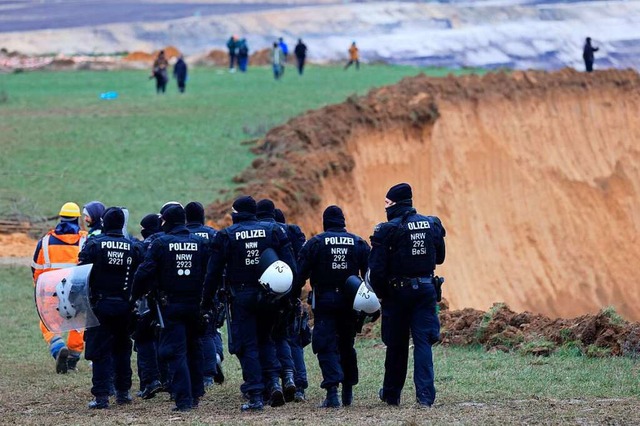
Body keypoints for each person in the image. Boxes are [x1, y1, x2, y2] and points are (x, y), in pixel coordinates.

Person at [202, 195, 297, 411]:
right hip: (271, 296)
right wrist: (289, 298)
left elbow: (213, 272)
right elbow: (291, 266)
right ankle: (273, 383)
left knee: (249, 345)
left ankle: (255, 394)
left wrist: (207, 301)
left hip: (241, 297)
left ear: (236, 213)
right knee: (267, 340)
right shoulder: (273, 230)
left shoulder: (226, 235)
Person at [369, 183, 446, 407]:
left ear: (395, 203)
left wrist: (383, 295)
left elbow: (377, 271)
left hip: (397, 293)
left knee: (397, 344)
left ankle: (392, 395)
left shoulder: (387, 229)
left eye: (387, 203)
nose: (385, 207)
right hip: (425, 289)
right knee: (423, 343)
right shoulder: (432, 224)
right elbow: (439, 258)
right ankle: (425, 398)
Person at [132, 204, 210, 411]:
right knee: (194, 348)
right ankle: (195, 394)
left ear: (167, 221)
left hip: (170, 306)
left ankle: (183, 400)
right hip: (196, 305)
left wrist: (136, 295)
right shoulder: (199, 242)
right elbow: (210, 273)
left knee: (175, 352)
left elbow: (144, 272)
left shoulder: (160, 243)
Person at [297, 205, 370, 408]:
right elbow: (371, 274)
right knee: (346, 345)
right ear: (343, 222)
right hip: (350, 302)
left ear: (325, 222)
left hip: (325, 302)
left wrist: (292, 296)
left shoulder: (315, 243)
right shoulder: (358, 243)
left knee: (325, 344)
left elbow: (299, 274)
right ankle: (348, 392)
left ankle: (332, 394)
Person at [79, 207, 143, 409]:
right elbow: (141, 274)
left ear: (104, 223)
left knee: (99, 351)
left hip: (100, 306)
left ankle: (101, 397)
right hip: (125, 306)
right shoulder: (133, 247)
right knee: (122, 349)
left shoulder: (93, 245)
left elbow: (80, 275)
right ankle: (123, 393)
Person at [31, 202, 88, 374]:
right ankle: (72, 359)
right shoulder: (85, 240)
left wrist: (39, 288)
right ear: (77, 219)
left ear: (60, 217)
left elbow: (36, 269)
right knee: (79, 325)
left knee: (47, 321)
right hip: (76, 293)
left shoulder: (45, 241)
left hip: (50, 291)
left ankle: (57, 346)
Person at [256, 200, 297, 403]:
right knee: (282, 337)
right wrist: (294, 294)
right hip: (286, 293)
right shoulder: (291, 231)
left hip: (264, 294)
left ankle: (273, 382)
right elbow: (297, 263)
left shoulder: (261, 232)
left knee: (265, 338)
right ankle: (289, 377)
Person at [184, 201, 225, 387]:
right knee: (208, 331)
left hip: (186, 291)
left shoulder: (181, 235)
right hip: (209, 290)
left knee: (188, 334)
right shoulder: (213, 234)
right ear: (202, 216)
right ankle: (209, 372)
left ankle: (196, 371)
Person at [274, 208, 309, 401]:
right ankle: (300, 385)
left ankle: (272, 383)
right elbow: (302, 265)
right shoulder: (294, 233)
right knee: (294, 341)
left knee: (272, 340)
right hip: (292, 296)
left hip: (270, 298)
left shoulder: (268, 234)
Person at [132, 213, 168, 400]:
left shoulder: (142, 246)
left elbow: (138, 273)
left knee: (144, 341)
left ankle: (150, 381)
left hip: (146, 300)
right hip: (167, 300)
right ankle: (168, 380)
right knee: (165, 340)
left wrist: (134, 296)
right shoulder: (168, 242)